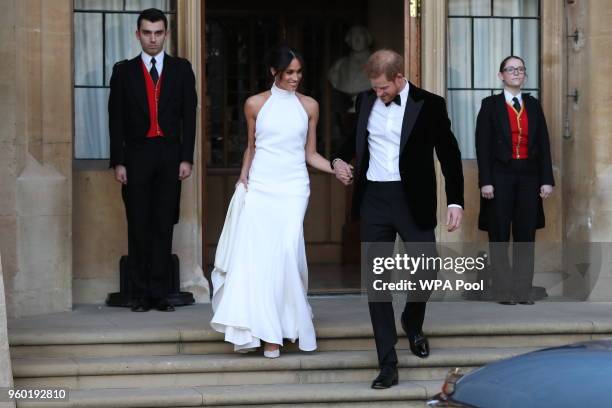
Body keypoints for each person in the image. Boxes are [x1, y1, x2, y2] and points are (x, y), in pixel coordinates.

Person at [332, 49, 464, 389]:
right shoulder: (364, 101)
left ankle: (412, 320)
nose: (378, 94)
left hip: (412, 201)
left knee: (428, 267)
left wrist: (456, 202)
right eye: (374, 88)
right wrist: (338, 161)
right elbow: (347, 144)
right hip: (374, 198)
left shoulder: (430, 105)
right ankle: (387, 363)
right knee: (377, 282)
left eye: (383, 88)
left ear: (400, 77)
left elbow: (449, 155)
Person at [210, 45, 334, 358]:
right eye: (289, 72)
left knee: (287, 254)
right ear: (273, 72)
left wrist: (336, 168)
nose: (296, 78)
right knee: (260, 259)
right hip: (261, 186)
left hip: (294, 188)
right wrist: (243, 178)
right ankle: (267, 333)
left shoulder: (310, 106)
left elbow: (310, 153)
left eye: (299, 72)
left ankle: (283, 328)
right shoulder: (254, 104)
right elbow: (251, 146)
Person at [108, 8, 197, 313]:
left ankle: (160, 294)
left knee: (163, 223)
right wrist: (118, 162)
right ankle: (140, 294)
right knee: (138, 224)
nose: (153, 38)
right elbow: (115, 120)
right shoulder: (123, 71)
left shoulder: (182, 69)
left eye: (158, 32)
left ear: (166, 34)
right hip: (135, 157)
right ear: (138, 35)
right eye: (147, 32)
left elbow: (191, 117)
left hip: (170, 157)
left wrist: (187, 158)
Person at [475, 56, 554, 305]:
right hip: (500, 176)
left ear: (524, 75)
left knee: (525, 234)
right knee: (499, 234)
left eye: (520, 69)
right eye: (511, 69)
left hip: (529, 176)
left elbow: (543, 143)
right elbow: (482, 145)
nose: (516, 73)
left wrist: (546, 180)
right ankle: (502, 291)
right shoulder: (490, 105)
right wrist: (485, 181)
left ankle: (522, 290)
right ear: (501, 76)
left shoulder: (533, 105)